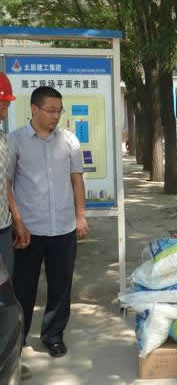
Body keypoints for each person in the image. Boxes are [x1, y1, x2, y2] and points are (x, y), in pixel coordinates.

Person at [7, 86, 89, 359]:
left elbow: (77, 180)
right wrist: (17, 220)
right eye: (51, 110)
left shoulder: (69, 141)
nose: (56, 116)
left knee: (60, 287)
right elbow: (6, 184)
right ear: (34, 109)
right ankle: (18, 338)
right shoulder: (16, 140)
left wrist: (80, 216)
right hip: (28, 230)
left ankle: (53, 336)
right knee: (23, 288)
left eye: (59, 111)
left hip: (63, 228)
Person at [0, 72, 32, 381]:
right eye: (2, 103)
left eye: (7, 103)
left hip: (3, 229)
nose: (6, 108)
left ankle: (8, 362)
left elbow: (5, 184)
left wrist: (17, 220)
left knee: (6, 302)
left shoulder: (1, 138)